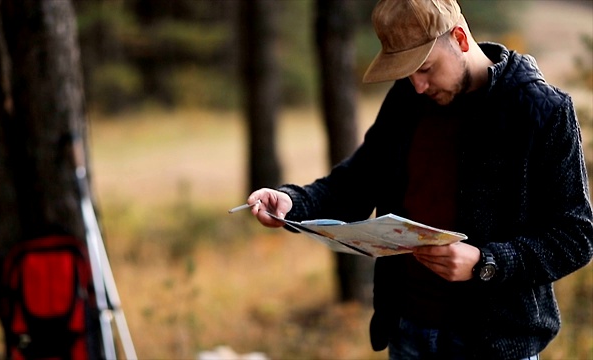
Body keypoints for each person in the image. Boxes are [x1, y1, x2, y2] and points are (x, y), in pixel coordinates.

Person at [243, 0, 593, 359]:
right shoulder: (406, 100)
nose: (419, 85)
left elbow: (576, 236)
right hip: (409, 332)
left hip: (494, 344)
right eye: (407, 73)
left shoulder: (542, 111)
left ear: (459, 37)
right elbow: (356, 182)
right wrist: (293, 202)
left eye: (425, 68)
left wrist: (487, 262)